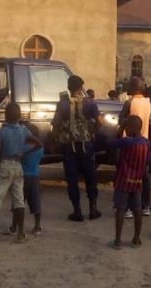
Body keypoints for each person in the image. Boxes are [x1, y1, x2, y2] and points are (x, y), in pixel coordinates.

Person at [0, 103, 42, 245]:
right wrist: (23, 152)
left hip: (5, 165)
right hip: (18, 166)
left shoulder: (1, 132)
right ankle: (21, 234)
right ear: (19, 116)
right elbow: (39, 144)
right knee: (19, 200)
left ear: (5, 116)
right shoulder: (24, 130)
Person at [53, 75, 102, 222]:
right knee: (90, 176)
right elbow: (99, 122)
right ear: (81, 87)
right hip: (86, 145)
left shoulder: (62, 104)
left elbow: (56, 125)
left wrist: (55, 140)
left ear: (68, 87)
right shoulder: (90, 103)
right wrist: (92, 134)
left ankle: (77, 211)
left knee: (72, 178)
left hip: (69, 146)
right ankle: (93, 209)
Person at [107, 115, 149, 249]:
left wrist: (120, 129)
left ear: (129, 128)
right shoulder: (146, 143)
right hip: (137, 181)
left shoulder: (126, 142)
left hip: (123, 180)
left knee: (120, 209)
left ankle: (118, 241)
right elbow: (147, 161)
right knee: (137, 210)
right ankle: (136, 239)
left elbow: (110, 143)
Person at [118, 77, 151, 216]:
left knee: (127, 174)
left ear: (133, 87)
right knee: (144, 176)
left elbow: (121, 121)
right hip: (144, 142)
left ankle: (127, 208)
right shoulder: (148, 102)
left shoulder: (129, 102)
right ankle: (145, 206)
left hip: (130, 142)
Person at [10, 123, 44, 236]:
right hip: (34, 177)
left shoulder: (22, 148)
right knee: (36, 202)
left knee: (18, 202)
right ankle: (37, 226)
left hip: (21, 177)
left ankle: (14, 227)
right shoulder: (40, 149)